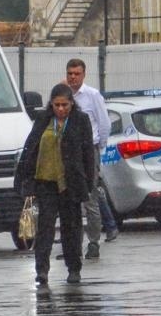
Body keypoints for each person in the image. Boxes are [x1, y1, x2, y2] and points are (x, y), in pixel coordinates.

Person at [14, 83, 99, 285]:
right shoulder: (43, 119)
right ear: (51, 104)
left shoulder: (80, 120)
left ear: (72, 103)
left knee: (72, 228)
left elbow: (88, 154)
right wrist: (26, 181)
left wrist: (88, 184)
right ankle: (42, 270)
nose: (60, 109)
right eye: (56, 105)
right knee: (45, 228)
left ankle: (74, 269)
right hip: (46, 183)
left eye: (64, 105)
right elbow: (31, 148)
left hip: (71, 184)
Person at [64, 57, 116, 256]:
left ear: (84, 75)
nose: (73, 77)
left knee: (90, 197)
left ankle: (93, 242)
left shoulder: (92, 95)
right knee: (69, 200)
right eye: (70, 73)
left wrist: (97, 148)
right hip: (67, 152)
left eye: (77, 74)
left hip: (88, 151)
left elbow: (104, 124)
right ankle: (73, 245)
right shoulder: (64, 96)